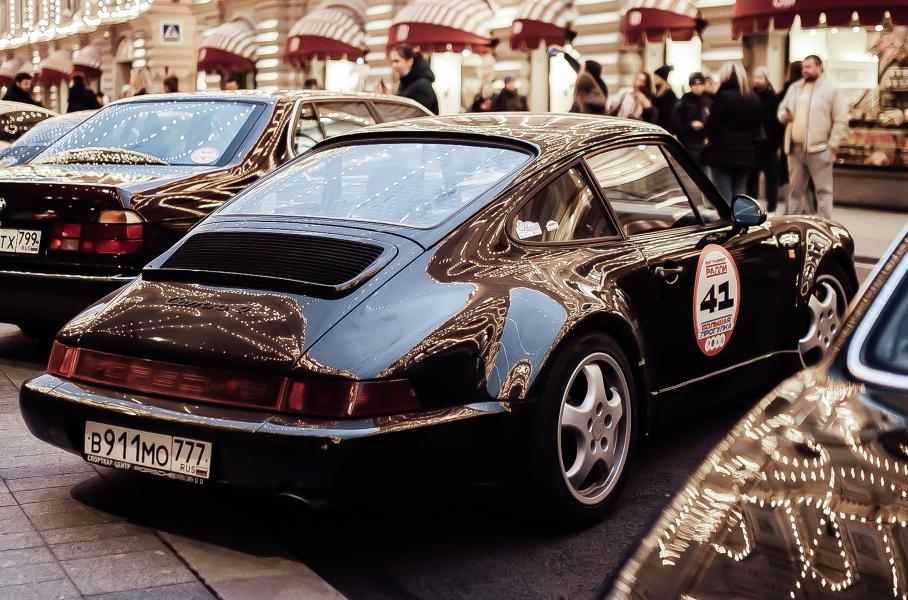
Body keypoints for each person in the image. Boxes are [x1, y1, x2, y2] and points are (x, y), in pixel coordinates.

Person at [777, 55, 848, 219]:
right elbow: (781, 109)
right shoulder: (795, 87)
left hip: (820, 149)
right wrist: (783, 116)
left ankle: (825, 225)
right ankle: (791, 223)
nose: (805, 70)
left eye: (808, 67)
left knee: (823, 191)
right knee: (794, 191)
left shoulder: (832, 89)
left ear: (819, 67)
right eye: (803, 67)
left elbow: (841, 119)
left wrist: (832, 145)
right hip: (795, 150)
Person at [702, 61, 763, 203]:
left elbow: (712, 127)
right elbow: (757, 128)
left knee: (724, 196)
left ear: (725, 76)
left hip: (722, 154)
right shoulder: (753, 98)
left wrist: (707, 119)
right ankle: (738, 217)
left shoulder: (722, 97)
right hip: (746, 153)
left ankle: (728, 217)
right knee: (740, 195)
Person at [747, 66, 784, 213]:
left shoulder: (774, 98)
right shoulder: (749, 96)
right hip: (753, 144)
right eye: (755, 76)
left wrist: (777, 143)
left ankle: (771, 206)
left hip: (769, 145)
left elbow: (779, 124)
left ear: (767, 79)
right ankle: (752, 206)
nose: (756, 80)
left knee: (771, 176)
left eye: (760, 77)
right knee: (752, 177)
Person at [670, 72, 712, 166]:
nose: (698, 87)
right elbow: (674, 127)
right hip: (687, 147)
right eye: (695, 85)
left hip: (704, 146)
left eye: (700, 84)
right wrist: (690, 126)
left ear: (704, 85)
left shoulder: (709, 102)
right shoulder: (682, 103)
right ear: (690, 86)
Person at [389, 44, 439, 115]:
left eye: (397, 61)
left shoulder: (422, 85)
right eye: (392, 62)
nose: (393, 65)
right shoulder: (406, 81)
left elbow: (415, 115)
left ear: (410, 62)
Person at [652, 65, 678, 131]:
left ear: (662, 78)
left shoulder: (669, 93)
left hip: (666, 129)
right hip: (658, 127)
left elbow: (669, 114)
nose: (654, 79)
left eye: (656, 77)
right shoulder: (657, 91)